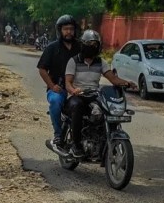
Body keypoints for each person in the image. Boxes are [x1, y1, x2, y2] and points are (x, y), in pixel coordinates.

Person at [64, 29, 135, 158]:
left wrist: (127, 83)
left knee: (106, 109)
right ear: (83, 44)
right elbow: (68, 82)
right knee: (77, 106)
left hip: (94, 95)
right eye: (90, 44)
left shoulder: (100, 62)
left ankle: (102, 139)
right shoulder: (73, 61)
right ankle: (76, 145)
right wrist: (73, 90)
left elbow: (113, 79)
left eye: (96, 44)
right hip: (77, 96)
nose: (93, 47)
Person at [37, 14, 81, 149]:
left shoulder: (81, 47)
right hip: (59, 87)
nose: (69, 32)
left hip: (78, 87)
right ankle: (58, 133)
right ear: (60, 30)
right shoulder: (52, 47)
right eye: (66, 29)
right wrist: (52, 86)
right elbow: (42, 69)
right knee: (55, 101)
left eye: (71, 29)